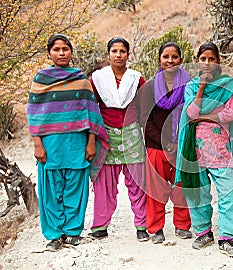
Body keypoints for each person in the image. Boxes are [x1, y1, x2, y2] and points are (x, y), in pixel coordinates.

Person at [27, 34, 109, 251]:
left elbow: (92, 113)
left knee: (75, 187)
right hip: (50, 145)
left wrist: (91, 142)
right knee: (51, 190)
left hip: (77, 143)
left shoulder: (81, 79)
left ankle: (72, 232)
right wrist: (37, 144)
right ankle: (53, 235)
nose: (61, 53)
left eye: (65, 49)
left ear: (71, 52)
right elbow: (34, 115)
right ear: (49, 53)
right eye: (57, 49)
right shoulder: (40, 80)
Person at [176, 42, 233, 257]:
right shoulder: (192, 86)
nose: (207, 63)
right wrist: (202, 88)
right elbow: (191, 113)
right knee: (198, 191)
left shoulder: (227, 86)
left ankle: (228, 237)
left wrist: (204, 116)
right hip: (195, 149)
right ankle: (203, 232)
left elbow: (228, 115)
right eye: (203, 59)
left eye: (211, 59)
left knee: (228, 191)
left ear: (218, 62)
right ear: (198, 61)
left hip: (220, 147)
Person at [89, 37, 149, 241]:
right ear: (108, 55)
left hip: (131, 133)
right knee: (105, 182)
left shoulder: (136, 78)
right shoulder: (97, 79)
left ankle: (142, 225)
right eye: (114, 51)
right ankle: (100, 225)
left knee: (138, 182)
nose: (118, 55)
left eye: (122, 51)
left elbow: (144, 107)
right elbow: (92, 107)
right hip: (106, 135)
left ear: (128, 55)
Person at [139, 42, 192, 244]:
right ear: (159, 59)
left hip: (182, 146)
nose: (170, 61)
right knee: (156, 191)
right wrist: (167, 141)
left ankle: (182, 225)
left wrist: (180, 142)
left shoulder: (189, 85)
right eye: (166, 56)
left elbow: (192, 114)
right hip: (156, 147)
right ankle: (156, 228)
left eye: (174, 57)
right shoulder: (150, 87)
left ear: (181, 59)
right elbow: (145, 119)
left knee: (182, 187)